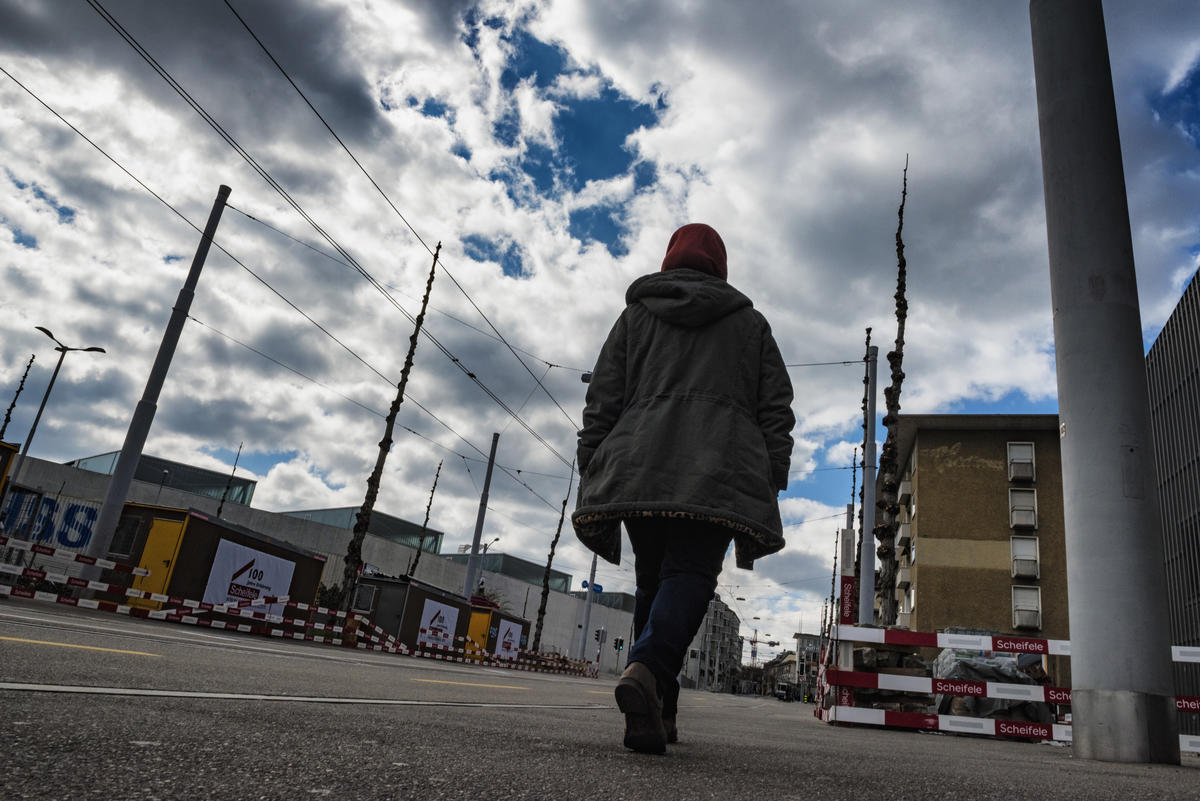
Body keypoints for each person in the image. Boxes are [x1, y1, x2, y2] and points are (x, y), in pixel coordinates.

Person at [572, 223, 795, 754]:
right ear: (721, 265)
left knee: (652, 580)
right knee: (690, 575)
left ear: (670, 259)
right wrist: (771, 476)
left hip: (639, 465)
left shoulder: (635, 318)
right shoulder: (751, 326)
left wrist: (593, 463)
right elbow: (776, 411)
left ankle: (658, 712)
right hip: (719, 473)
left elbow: (602, 398)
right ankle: (647, 672)